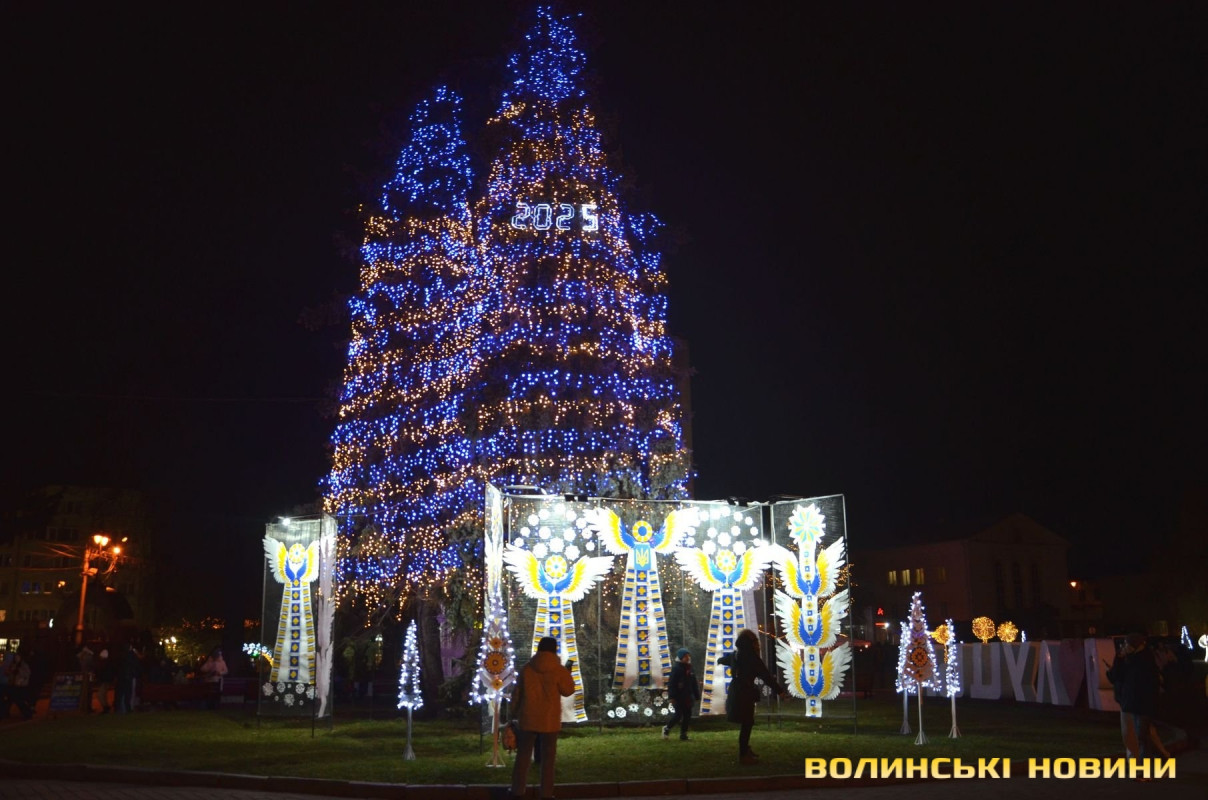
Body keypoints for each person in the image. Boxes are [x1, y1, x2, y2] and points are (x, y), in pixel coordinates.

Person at [510, 636, 575, 800]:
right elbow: (567, 690)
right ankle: (546, 794)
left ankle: (518, 791)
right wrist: (567, 674)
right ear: (554, 650)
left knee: (523, 757)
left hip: (528, 718)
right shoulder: (559, 670)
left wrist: (512, 714)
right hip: (549, 720)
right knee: (548, 760)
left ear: (538, 649)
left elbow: (517, 694)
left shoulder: (527, 669)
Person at [718, 629, 788, 765]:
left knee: (747, 722)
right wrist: (780, 692)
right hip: (745, 692)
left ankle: (746, 750)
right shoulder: (752, 658)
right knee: (747, 723)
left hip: (736, 690)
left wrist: (720, 660)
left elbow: (723, 659)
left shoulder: (736, 655)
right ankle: (743, 754)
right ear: (751, 643)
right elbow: (766, 676)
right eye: (755, 641)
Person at [1106, 632, 1161, 768]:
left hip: (1142, 703)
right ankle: (1150, 761)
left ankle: (1146, 766)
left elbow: (1150, 683)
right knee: (1136, 736)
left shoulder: (1145, 659)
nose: (1124, 647)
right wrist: (1118, 659)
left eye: (1126, 644)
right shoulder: (1126, 659)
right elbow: (1115, 677)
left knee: (1142, 736)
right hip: (1129, 702)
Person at [662, 647, 701, 740]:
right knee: (678, 715)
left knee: (687, 716)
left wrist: (696, 695)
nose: (688, 658)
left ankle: (683, 734)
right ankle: (667, 729)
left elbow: (694, 683)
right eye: (685, 656)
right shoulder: (676, 668)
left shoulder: (690, 668)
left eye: (688, 656)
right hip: (678, 697)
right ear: (680, 658)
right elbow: (671, 684)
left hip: (688, 697)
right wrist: (672, 697)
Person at [94, 648, 114, 713]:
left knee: (100, 694)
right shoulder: (107, 663)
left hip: (105, 681)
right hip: (106, 681)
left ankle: (105, 707)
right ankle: (106, 707)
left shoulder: (105, 664)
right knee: (103, 695)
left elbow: (104, 673)